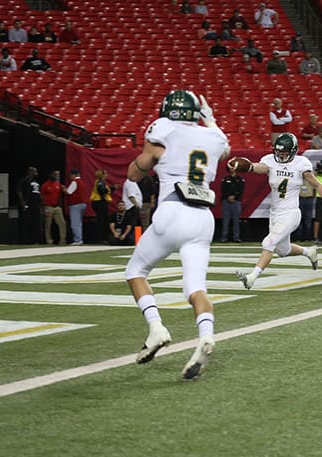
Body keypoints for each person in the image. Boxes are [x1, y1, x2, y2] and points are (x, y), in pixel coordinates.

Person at [125, 90, 229, 379]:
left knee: (136, 271)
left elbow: (136, 172)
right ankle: (206, 335)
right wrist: (211, 120)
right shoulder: (214, 137)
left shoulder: (163, 130)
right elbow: (225, 148)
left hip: (172, 211)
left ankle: (156, 328)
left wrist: (141, 164)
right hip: (203, 219)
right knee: (196, 289)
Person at [236, 133, 322, 290]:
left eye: (285, 151)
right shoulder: (269, 160)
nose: (281, 154)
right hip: (275, 213)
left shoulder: (301, 163)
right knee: (283, 250)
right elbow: (260, 167)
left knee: (269, 243)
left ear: (294, 150)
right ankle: (309, 252)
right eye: (279, 151)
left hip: (290, 213)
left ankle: (251, 277)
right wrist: (248, 167)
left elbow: (317, 185)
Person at [17, 166, 42, 244]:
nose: (36, 173)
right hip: (28, 204)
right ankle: (26, 240)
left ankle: (35, 240)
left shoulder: (36, 182)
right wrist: (23, 202)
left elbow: (38, 193)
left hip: (36, 205)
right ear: (30, 172)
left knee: (36, 222)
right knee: (27, 222)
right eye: (34, 172)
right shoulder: (24, 180)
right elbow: (19, 191)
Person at [41, 170, 66, 245]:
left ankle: (62, 240)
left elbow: (60, 196)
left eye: (56, 175)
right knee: (48, 224)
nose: (55, 176)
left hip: (57, 207)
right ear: (50, 175)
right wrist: (43, 208)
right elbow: (41, 197)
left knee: (62, 223)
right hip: (48, 207)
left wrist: (60, 205)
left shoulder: (58, 185)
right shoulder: (45, 185)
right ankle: (49, 241)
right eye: (54, 175)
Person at [220, 166, 244, 242]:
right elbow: (223, 190)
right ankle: (224, 237)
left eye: (233, 167)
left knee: (236, 221)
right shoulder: (225, 179)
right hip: (226, 202)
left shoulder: (240, 179)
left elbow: (241, 190)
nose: (232, 169)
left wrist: (234, 197)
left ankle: (236, 237)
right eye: (231, 167)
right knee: (225, 221)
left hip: (236, 202)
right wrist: (228, 197)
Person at [90, 169, 114, 243]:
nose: (107, 175)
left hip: (99, 203)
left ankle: (101, 238)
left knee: (101, 220)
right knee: (101, 221)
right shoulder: (100, 183)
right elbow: (102, 191)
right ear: (102, 175)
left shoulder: (100, 182)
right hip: (99, 203)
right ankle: (100, 238)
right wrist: (112, 188)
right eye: (105, 174)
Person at [66, 168, 87, 245]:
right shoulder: (82, 182)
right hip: (83, 203)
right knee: (79, 223)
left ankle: (78, 239)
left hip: (76, 204)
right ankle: (79, 238)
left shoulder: (75, 182)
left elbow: (69, 192)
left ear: (73, 175)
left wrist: (64, 189)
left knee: (75, 223)